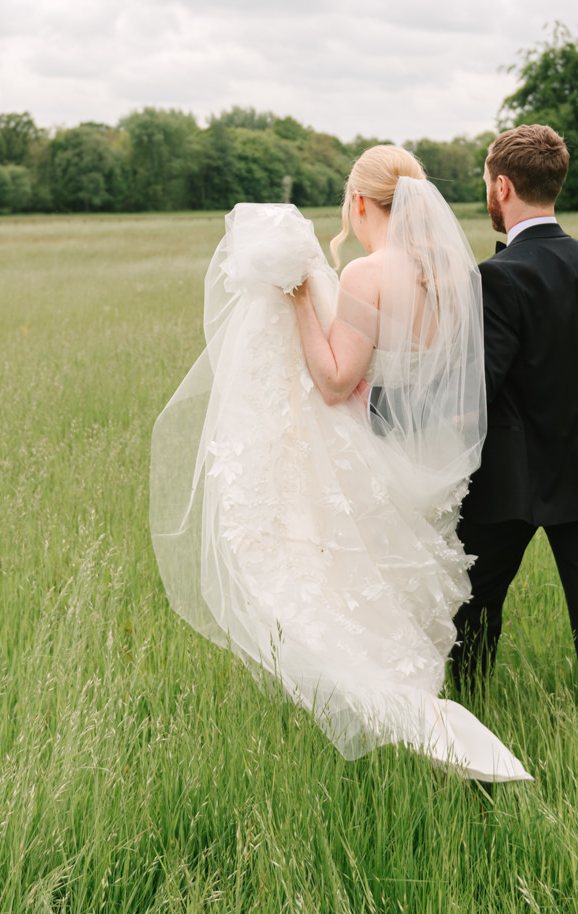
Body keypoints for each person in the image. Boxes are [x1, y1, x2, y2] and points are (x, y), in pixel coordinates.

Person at [150, 145, 531, 782]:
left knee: (336, 599)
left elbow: (333, 381)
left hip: (373, 447)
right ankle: (422, 706)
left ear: (359, 203)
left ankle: (407, 718)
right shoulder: (454, 275)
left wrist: (301, 298)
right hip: (426, 455)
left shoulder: (366, 273)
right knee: (393, 594)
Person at [450, 124, 578, 741]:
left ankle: (471, 726)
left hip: (507, 484)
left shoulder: (496, 277)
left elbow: (475, 390)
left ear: (501, 186)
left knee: (472, 609)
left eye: (486, 182)